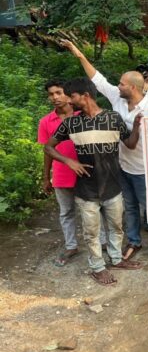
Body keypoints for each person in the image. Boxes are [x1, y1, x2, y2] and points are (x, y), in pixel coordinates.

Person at [61, 40, 148, 268]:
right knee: (129, 208)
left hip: (144, 169)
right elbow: (97, 79)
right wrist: (78, 53)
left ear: (133, 88)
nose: (117, 86)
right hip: (120, 167)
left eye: (121, 83)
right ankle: (134, 242)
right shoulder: (117, 98)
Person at [45, 78, 143, 285]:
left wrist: (135, 126)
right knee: (92, 233)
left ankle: (116, 259)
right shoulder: (71, 123)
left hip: (113, 187)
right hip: (86, 190)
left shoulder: (113, 118)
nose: (68, 101)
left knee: (116, 227)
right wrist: (68, 161)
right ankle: (97, 268)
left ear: (86, 96)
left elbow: (130, 144)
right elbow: (48, 147)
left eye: (72, 97)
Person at [37, 79, 81, 266]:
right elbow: (47, 151)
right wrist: (46, 177)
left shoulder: (83, 114)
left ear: (68, 93)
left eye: (58, 92)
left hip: (85, 171)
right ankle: (71, 246)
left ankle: (103, 243)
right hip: (61, 174)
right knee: (66, 212)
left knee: (94, 209)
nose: (55, 97)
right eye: (51, 94)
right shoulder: (46, 121)